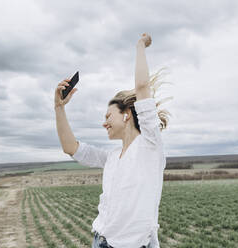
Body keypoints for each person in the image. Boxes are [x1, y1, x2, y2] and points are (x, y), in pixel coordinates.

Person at [54, 33, 172, 248]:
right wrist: (59, 108)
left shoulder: (150, 145)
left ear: (127, 113)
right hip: (100, 240)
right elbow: (70, 147)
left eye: (108, 116)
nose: (104, 123)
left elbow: (142, 87)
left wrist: (140, 46)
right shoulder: (111, 157)